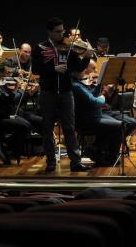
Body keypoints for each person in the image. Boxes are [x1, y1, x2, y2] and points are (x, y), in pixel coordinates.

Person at [32, 17, 93, 172]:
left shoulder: (68, 47)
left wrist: (86, 57)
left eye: (62, 31)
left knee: (70, 128)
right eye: (58, 32)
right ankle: (51, 162)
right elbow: (36, 70)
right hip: (48, 93)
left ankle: (76, 162)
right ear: (50, 32)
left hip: (66, 93)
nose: (62, 34)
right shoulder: (40, 48)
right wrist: (54, 69)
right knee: (47, 128)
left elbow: (78, 68)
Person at [71, 67, 122, 166]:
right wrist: (104, 93)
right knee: (118, 125)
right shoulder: (76, 86)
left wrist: (99, 84)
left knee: (119, 124)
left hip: (95, 116)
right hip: (86, 120)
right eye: (83, 68)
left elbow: (92, 96)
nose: (85, 71)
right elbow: (95, 102)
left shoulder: (79, 83)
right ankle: (111, 158)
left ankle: (96, 150)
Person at [0, 60, 30, 164]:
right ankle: (7, 146)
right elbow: (5, 100)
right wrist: (18, 89)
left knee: (25, 123)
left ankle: (5, 145)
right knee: (24, 126)